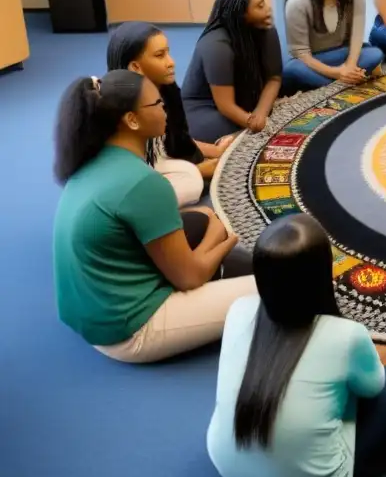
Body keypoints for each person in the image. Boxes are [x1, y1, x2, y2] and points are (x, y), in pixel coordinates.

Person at [206, 213, 386, 477]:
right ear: (322, 276)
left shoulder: (238, 310)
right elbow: (372, 388)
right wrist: (383, 354)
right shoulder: (347, 336)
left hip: (226, 462)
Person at [52, 70, 257, 364]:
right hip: (129, 330)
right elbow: (190, 278)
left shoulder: (91, 161)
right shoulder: (144, 183)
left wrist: (208, 224)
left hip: (92, 312)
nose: (165, 110)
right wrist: (222, 234)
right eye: (157, 104)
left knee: (201, 217)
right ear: (131, 120)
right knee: (284, 281)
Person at [106, 21, 233, 207]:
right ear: (135, 67)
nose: (171, 62)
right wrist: (198, 170)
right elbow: (133, 177)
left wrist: (216, 151)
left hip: (160, 164)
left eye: (168, 52)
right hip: (137, 182)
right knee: (194, 182)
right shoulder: (124, 112)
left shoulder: (166, 91)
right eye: (160, 55)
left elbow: (170, 139)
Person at [181, 0, 283, 143]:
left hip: (244, 99)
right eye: (260, 6)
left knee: (272, 119)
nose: (267, 9)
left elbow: (274, 78)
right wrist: (252, 122)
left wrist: (260, 113)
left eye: (264, 2)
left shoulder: (267, 28)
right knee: (251, 135)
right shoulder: (217, 46)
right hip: (207, 107)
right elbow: (225, 105)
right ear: (242, 15)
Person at [282, 0, 385, 93]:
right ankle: (344, 84)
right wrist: (338, 73)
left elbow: (357, 37)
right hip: (314, 61)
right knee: (293, 69)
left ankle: (330, 85)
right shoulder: (298, 3)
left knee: (374, 53)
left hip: (342, 54)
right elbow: (303, 55)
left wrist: (349, 67)